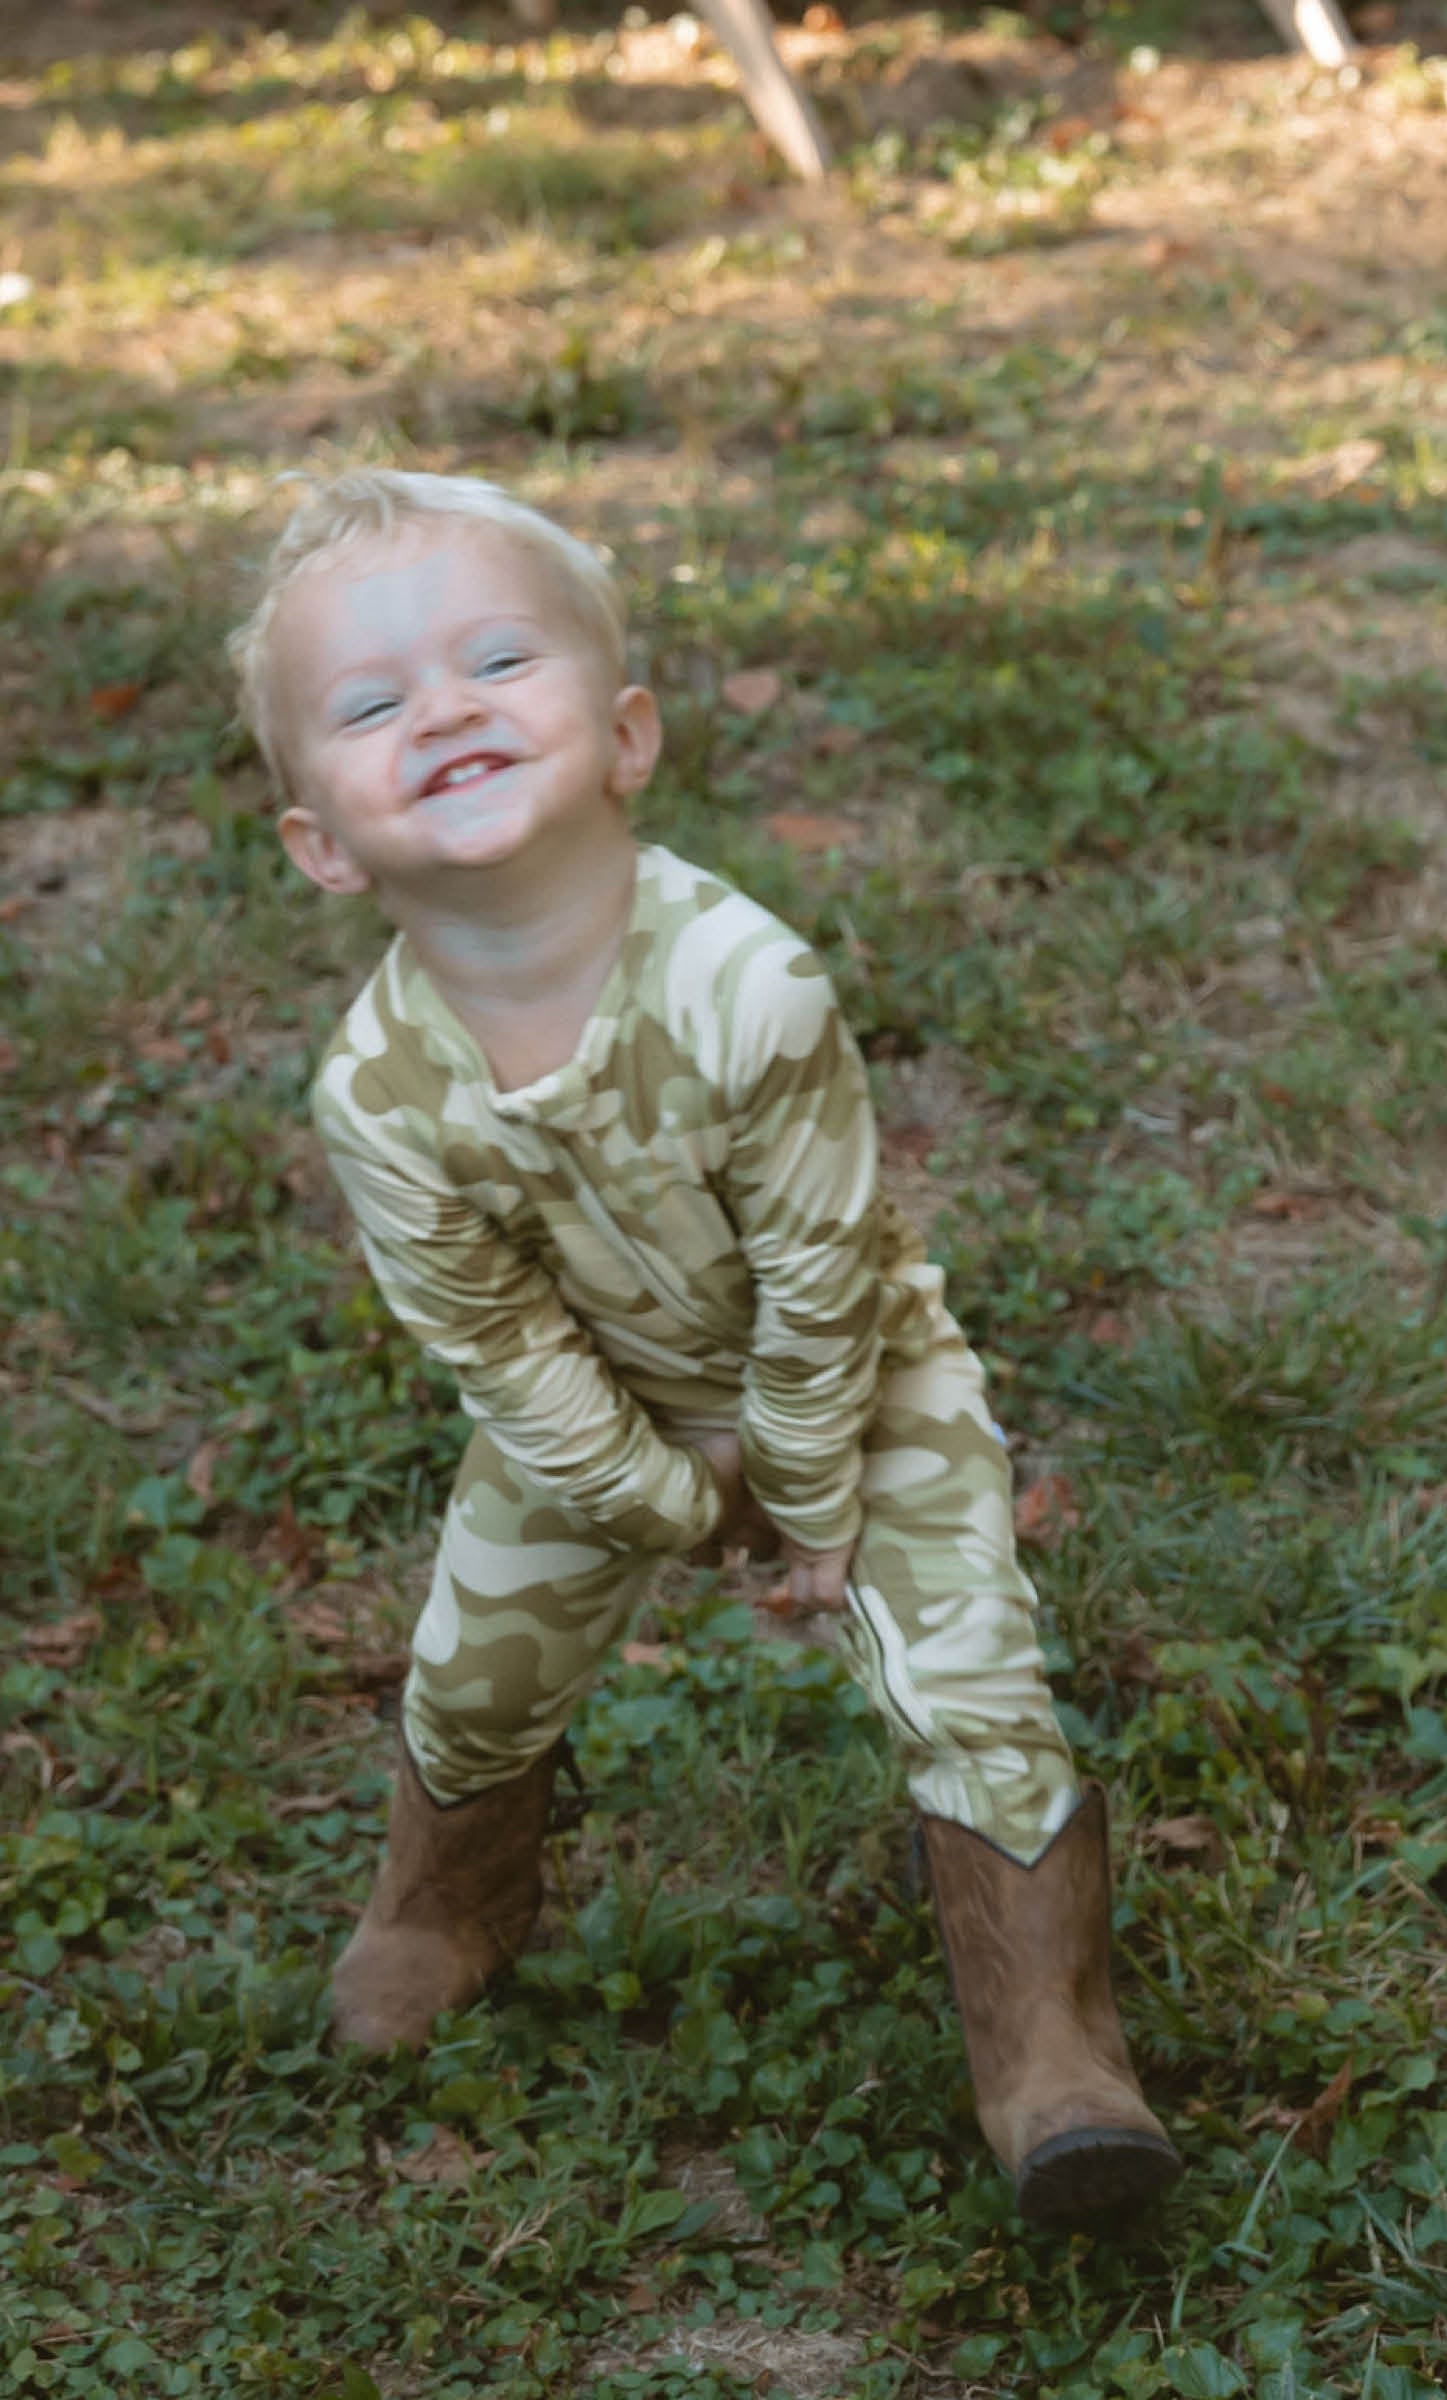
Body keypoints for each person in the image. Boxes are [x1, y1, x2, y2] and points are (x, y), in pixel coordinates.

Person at [227, 468, 1179, 2225]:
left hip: (857, 1384)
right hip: (593, 1416)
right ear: (322, 844)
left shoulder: (750, 984)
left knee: (970, 1680)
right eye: (370, 706)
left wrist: (807, 1497)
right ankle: (444, 1900)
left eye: (497, 662)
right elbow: (496, 1342)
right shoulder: (377, 1084)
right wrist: (669, 1499)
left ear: (627, 736)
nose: (442, 708)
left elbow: (822, 1272)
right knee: (474, 1664)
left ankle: (1049, 2046)